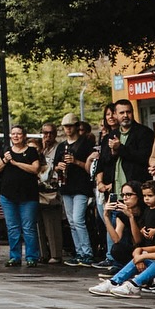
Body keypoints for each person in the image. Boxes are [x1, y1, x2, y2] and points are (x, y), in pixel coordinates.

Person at [0, 124, 43, 268]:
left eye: (19, 134)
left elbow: (35, 169)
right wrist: (5, 160)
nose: (15, 136)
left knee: (28, 227)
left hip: (28, 196)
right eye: (13, 134)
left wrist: (15, 163)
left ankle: (31, 256)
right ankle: (14, 256)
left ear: (24, 136)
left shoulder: (32, 151)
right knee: (12, 227)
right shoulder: (6, 151)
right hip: (8, 196)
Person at [55, 113, 98, 266]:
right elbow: (55, 165)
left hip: (81, 186)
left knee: (79, 219)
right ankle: (79, 252)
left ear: (76, 127)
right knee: (72, 221)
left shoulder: (85, 144)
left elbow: (91, 167)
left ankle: (87, 252)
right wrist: (58, 167)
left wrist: (76, 162)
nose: (67, 129)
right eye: (65, 127)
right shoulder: (61, 146)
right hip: (66, 186)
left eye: (70, 126)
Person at [97, 99, 154, 197]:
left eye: (128, 112)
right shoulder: (110, 136)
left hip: (137, 190)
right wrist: (100, 182)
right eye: (122, 112)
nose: (125, 116)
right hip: (115, 191)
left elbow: (144, 158)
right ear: (115, 114)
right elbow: (103, 162)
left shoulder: (144, 133)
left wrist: (120, 148)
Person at [35, 123, 64, 264]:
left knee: (52, 223)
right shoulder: (41, 149)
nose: (48, 136)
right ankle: (43, 253)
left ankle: (56, 253)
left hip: (52, 189)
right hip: (38, 189)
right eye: (45, 133)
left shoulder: (60, 148)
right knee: (39, 223)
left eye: (50, 133)